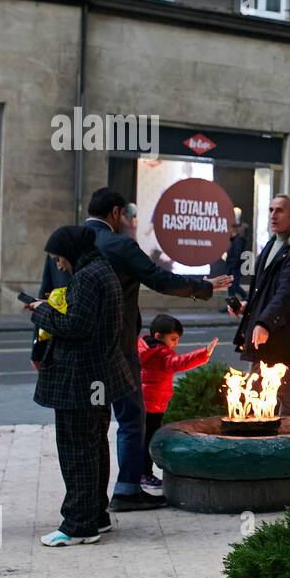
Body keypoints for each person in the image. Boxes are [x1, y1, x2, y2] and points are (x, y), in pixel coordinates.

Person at [85, 188, 231, 508]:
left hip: (78, 350)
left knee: (89, 424)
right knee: (131, 418)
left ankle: (89, 498)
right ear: (115, 213)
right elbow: (158, 278)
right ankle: (125, 489)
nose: (130, 221)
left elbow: (47, 296)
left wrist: (39, 350)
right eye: (127, 215)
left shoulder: (69, 242)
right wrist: (203, 287)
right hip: (117, 348)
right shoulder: (119, 245)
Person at [27, 225, 134, 546]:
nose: (58, 266)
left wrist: (42, 311)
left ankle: (78, 525)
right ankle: (95, 515)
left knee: (77, 451)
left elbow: (75, 325)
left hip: (81, 378)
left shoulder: (87, 276)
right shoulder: (102, 269)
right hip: (98, 376)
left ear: (71, 254)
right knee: (93, 446)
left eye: (59, 259)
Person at [231, 195, 290, 416]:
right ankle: (257, 440)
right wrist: (248, 305)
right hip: (264, 337)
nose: (273, 215)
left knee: (284, 400)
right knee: (255, 395)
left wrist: (264, 322)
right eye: (271, 209)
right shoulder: (273, 242)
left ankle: (286, 446)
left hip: (284, 340)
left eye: (279, 210)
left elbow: (287, 292)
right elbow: (266, 289)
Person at [138, 314, 218, 487]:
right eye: (173, 339)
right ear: (159, 336)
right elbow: (178, 363)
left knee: (142, 438)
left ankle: (139, 473)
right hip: (153, 404)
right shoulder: (161, 354)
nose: (176, 344)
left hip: (144, 401)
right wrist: (204, 353)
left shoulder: (144, 347)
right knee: (149, 440)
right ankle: (145, 474)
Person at [224, 216, 250, 306]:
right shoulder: (234, 240)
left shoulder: (238, 240)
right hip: (231, 266)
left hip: (234, 267)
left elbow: (237, 255)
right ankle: (231, 305)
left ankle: (247, 298)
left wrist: (232, 265)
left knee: (234, 285)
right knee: (231, 286)